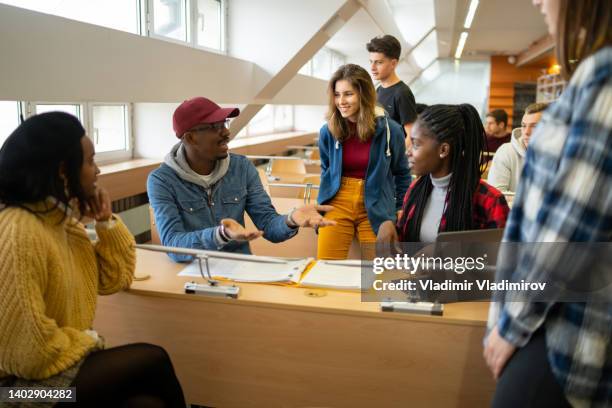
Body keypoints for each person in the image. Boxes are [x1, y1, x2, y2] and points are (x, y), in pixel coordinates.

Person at [0, 112, 185, 407]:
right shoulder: (18, 230)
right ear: (63, 170)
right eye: (90, 161)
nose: (97, 171)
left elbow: (113, 280)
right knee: (153, 359)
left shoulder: (62, 224)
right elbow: (29, 352)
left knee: (146, 404)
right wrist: (90, 343)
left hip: (53, 374)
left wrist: (106, 221)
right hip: (16, 390)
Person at [483, 0, 612, 407]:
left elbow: (572, 224)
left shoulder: (604, 75)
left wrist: (513, 326)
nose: (537, 1)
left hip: (560, 330)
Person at [148, 96, 334, 262]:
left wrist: (290, 220)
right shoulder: (161, 181)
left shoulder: (242, 168)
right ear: (191, 138)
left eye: (224, 124)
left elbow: (268, 225)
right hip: (189, 273)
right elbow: (172, 244)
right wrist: (220, 234)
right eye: (215, 127)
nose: (226, 133)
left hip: (239, 268)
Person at [317, 64, 411, 260]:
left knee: (377, 274)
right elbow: (326, 170)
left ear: (363, 94)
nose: (341, 101)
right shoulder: (328, 131)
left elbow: (402, 173)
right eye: (337, 94)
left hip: (376, 204)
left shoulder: (390, 130)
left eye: (348, 94)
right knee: (326, 269)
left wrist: (398, 210)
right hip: (337, 203)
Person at [396, 104, 510, 243]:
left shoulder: (489, 201)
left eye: (416, 144)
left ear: (443, 150)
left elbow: (502, 259)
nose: (408, 152)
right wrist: (390, 228)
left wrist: (444, 254)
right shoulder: (416, 190)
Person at [367, 35, 418, 148]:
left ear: (393, 63)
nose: (372, 67)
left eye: (378, 62)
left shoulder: (402, 93)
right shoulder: (378, 91)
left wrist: (393, 160)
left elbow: (411, 136)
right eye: (371, 61)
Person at [487, 102, 548, 192]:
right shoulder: (506, 152)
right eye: (523, 125)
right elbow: (496, 196)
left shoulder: (564, 155)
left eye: (534, 126)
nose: (526, 132)